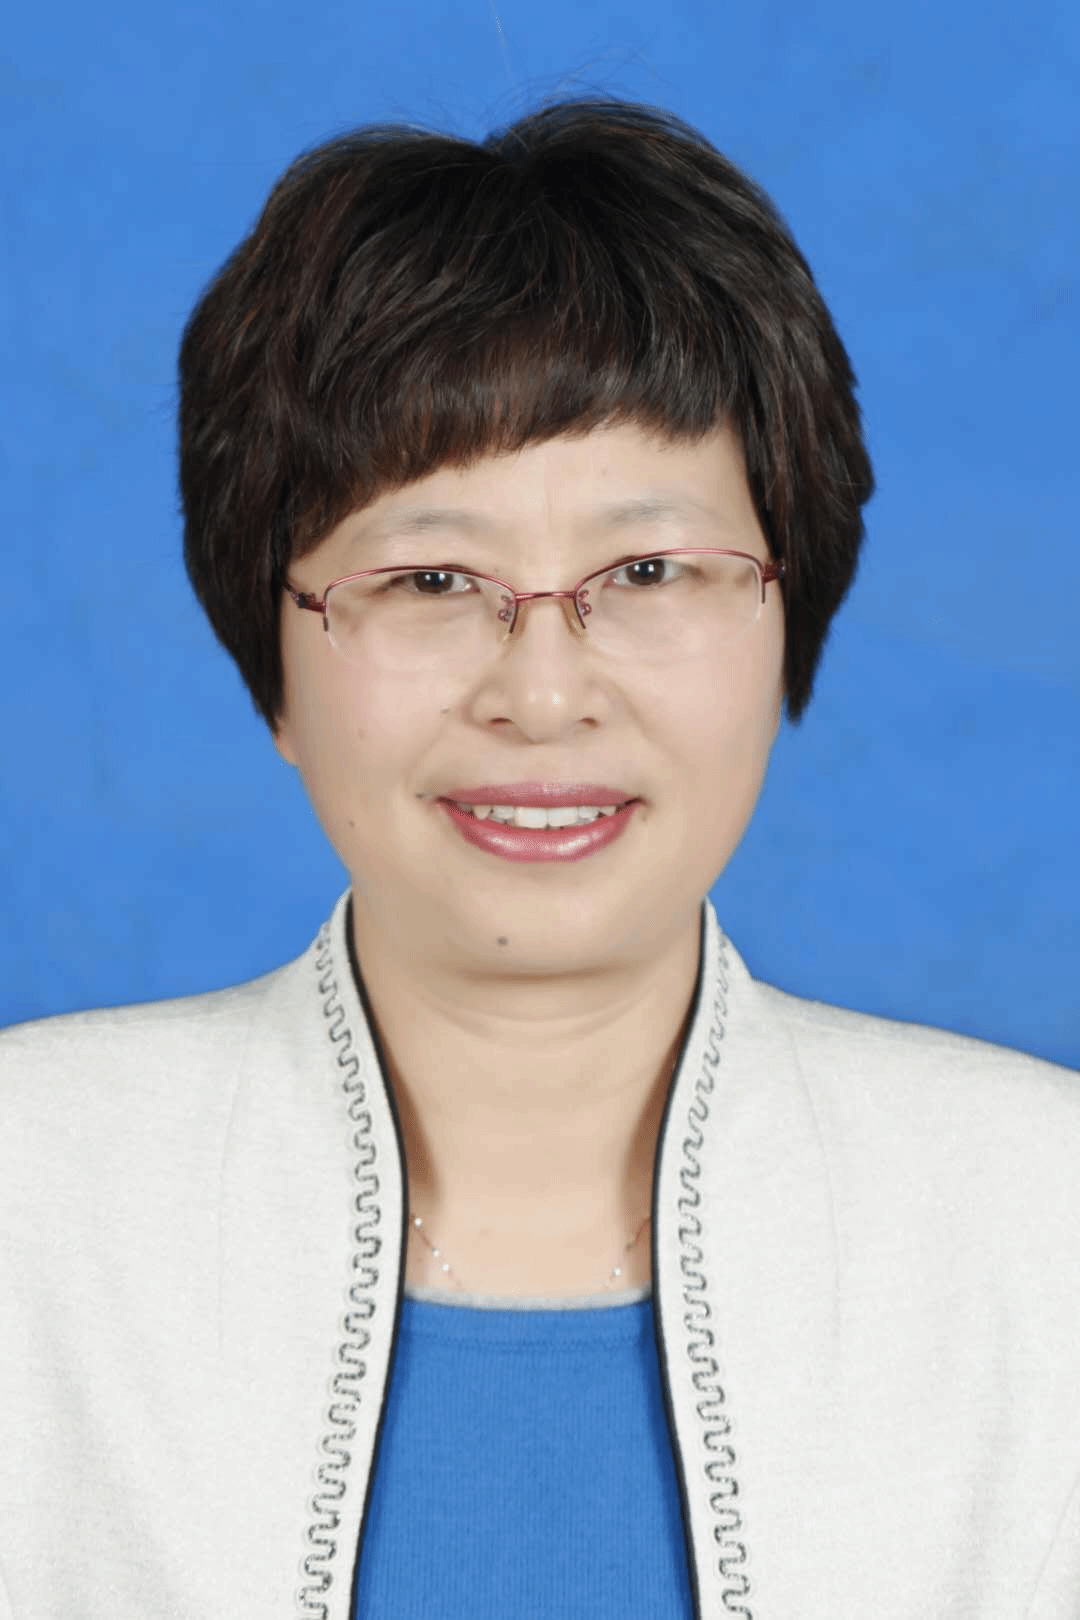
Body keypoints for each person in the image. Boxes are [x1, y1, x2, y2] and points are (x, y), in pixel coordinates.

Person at [1, 97, 1077, 1620]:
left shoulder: (1042, 1229)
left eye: (648, 569)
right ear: (274, 664)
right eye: (432, 579)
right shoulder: (31, 1206)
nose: (545, 691)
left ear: (789, 617)